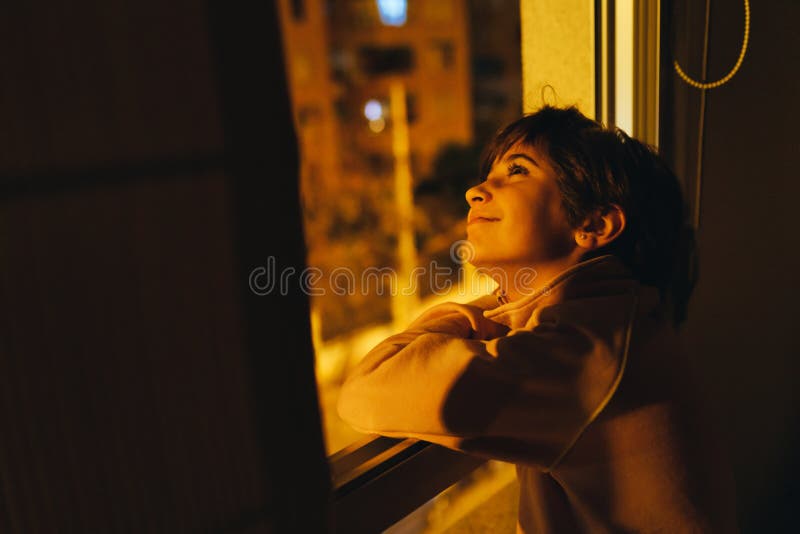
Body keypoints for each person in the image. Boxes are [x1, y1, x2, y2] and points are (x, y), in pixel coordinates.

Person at [337, 106, 738, 533]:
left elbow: (367, 391)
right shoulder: (624, 318)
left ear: (595, 224)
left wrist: (480, 312)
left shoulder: (584, 351)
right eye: (489, 173)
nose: (476, 190)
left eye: (517, 171)